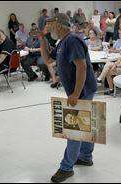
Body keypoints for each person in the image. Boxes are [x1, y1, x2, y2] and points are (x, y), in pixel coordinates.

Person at [39, 13, 97, 183]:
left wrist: (76, 93)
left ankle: (66, 167)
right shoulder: (63, 42)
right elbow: (48, 60)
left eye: (50, 24)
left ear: (59, 24)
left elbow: (82, 67)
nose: (48, 27)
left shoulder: (72, 40)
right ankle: (86, 157)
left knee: (75, 129)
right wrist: (42, 39)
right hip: (78, 90)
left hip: (82, 90)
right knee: (84, 125)